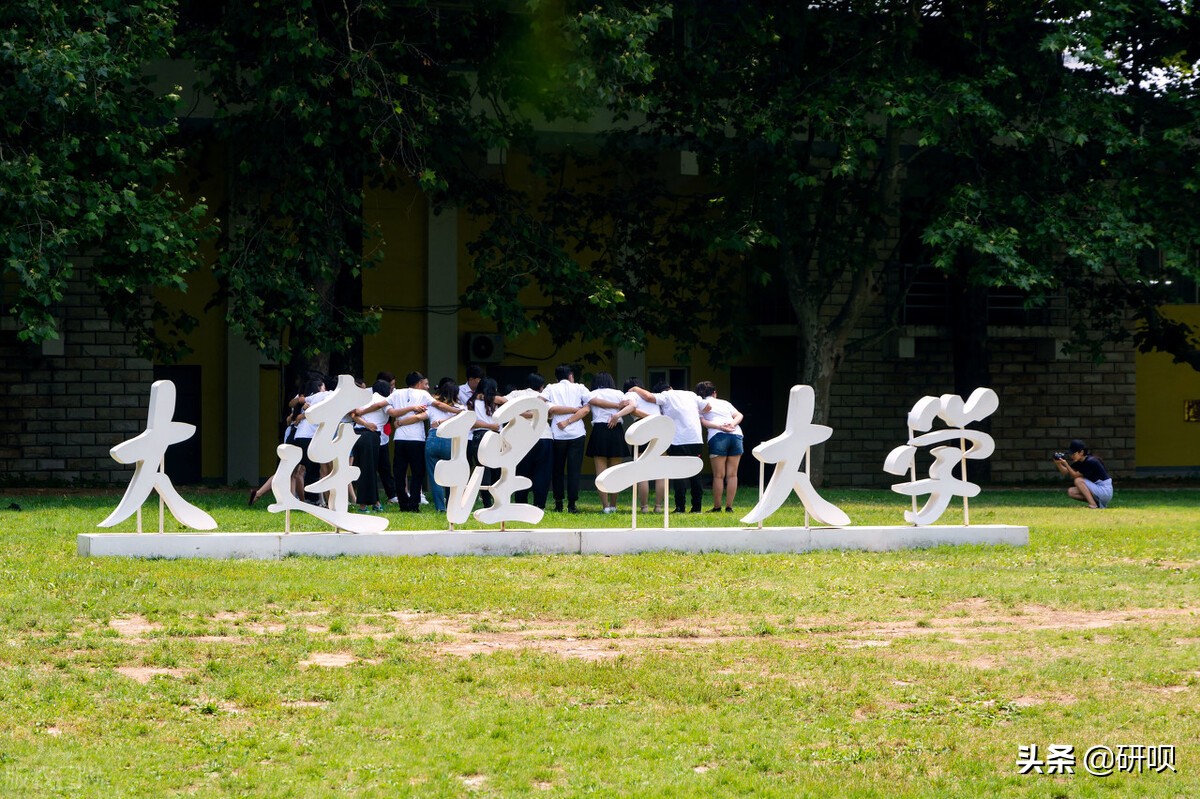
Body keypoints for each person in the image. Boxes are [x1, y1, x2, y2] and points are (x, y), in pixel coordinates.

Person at [628, 380, 710, 513]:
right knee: (696, 473)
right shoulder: (690, 395)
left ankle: (680, 507)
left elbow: (648, 397)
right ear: (670, 387)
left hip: (677, 439)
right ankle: (697, 507)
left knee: (679, 474)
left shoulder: (665, 396)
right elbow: (708, 407)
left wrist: (636, 389)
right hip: (695, 439)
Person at [544, 364, 591, 513]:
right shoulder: (580, 387)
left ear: (557, 377)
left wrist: (564, 419)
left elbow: (547, 406)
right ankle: (572, 504)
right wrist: (574, 413)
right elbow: (588, 407)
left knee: (557, 470)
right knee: (574, 470)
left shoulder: (551, 388)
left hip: (557, 434)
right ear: (571, 375)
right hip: (577, 434)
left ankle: (558, 503)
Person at [582, 372, 630, 513]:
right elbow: (630, 405)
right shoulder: (619, 394)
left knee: (601, 472)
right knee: (615, 471)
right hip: (616, 430)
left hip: (599, 430)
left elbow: (586, 409)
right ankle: (614, 505)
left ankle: (605, 506)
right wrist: (617, 414)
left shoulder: (592, 394)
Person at [387, 371, 433, 512]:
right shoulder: (424, 395)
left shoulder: (396, 393)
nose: (427, 387)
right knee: (417, 472)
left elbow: (385, 406)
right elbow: (436, 405)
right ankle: (414, 504)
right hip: (416, 439)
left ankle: (403, 503)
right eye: (425, 384)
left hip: (400, 438)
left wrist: (399, 422)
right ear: (419, 383)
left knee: (399, 472)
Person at [506, 373, 554, 509]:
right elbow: (551, 412)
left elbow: (500, 401)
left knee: (522, 470)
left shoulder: (516, 394)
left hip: (522, 437)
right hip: (544, 436)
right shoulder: (545, 395)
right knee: (542, 472)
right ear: (541, 387)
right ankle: (539, 504)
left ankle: (520, 502)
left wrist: (518, 411)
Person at [695, 381, 744, 513]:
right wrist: (731, 425)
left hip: (717, 436)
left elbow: (704, 422)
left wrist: (720, 427)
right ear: (714, 393)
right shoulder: (725, 403)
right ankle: (729, 507)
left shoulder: (699, 405)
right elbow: (739, 415)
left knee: (718, 475)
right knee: (733, 475)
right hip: (736, 435)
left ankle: (717, 507)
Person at [348, 378, 393, 513]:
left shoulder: (365, 398)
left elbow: (354, 415)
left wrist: (365, 423)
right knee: (369, 470)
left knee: (367, 468)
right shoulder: (384, 401)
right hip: (370, 436)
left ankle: (376, 502)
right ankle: (363, 505)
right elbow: (390, 412)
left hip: (357, 434)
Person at [424, 377, 466, 513]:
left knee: (434, 476)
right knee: (451, 475)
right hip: (450, 440)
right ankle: (451, 506)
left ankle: (440, 508)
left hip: (433, 438)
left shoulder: (432, 404)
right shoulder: (461, 408)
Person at [468, 377, 503, 507]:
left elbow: (472, 422)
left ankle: (487, 503)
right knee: (496, 471)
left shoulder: (472, 402)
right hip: (494, 436)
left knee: (483, 470)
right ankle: (496, 501)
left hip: (478, 437)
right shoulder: (495, 403)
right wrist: (491, 426)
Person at [1054, 438, 1114, 509]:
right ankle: (1097, 504)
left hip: (1104, 490)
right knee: (1071, 492)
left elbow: (1074, 475)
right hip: (1098, 489)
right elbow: (1065, 472)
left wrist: (1066, 463)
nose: (1071, 456)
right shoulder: (1080, 461)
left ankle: (1093, 505)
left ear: (1081, 452)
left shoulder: (1090, 461)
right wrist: (1058, 463)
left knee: (1078, 480)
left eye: (1073, 454)